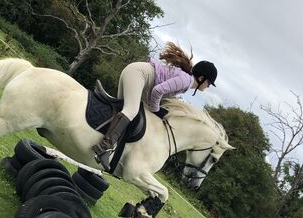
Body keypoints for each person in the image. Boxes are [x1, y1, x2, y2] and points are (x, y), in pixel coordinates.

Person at [93, 41, 218, 171]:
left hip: (136, 72)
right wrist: (155, 109)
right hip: (138, 73)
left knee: (122, 110)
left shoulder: (185, 82)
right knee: (131, 110)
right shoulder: (185, 81)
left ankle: (100, 140)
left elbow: (154, 91)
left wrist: (153, 108)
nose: (208, 86)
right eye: (209, 82)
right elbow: (157, 91)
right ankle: (103, 148)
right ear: (202, 78)